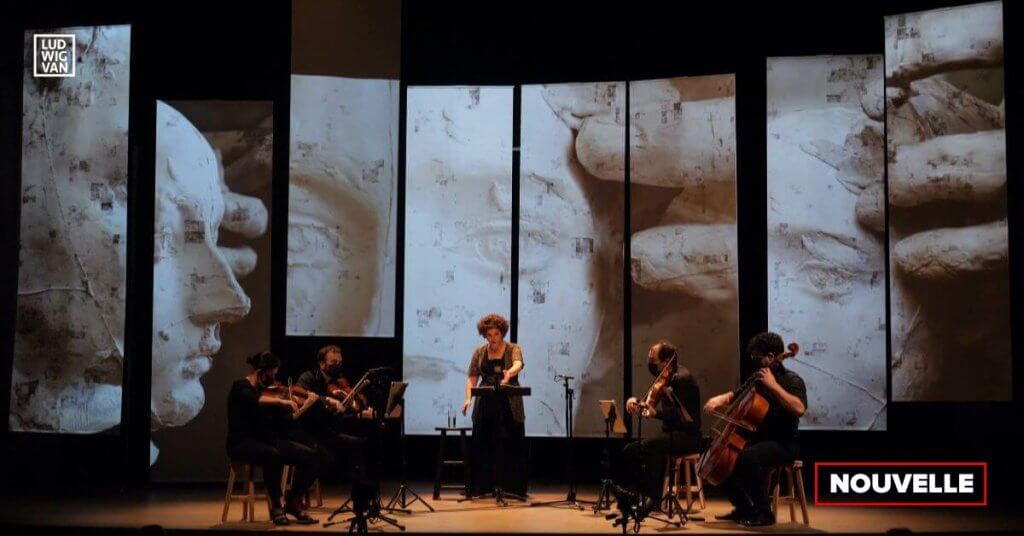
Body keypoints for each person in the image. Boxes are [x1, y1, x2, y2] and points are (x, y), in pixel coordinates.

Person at [703, 332, 808, 527]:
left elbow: (799, 408)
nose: (754, 361)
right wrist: (719, 400)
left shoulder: (792, 380)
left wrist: (774, 387)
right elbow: (735, 395)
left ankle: (764, 512)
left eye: (756, 357)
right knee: (720, 461)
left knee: (746, 458)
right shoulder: (758, 378)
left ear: (770, 356)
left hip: (784, 443)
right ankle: (744, 508)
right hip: (761, 439)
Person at [226, 351, 330, 525]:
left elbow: (281, 423)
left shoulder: (264, 392)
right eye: (272, 374)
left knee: (316, 456)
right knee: (273, 455)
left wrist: (303, 408)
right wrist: (281, 401)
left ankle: (293, 502)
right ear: (260, 372)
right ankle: (276, 506)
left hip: (268, 441)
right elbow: (252, 399)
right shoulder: (240, 387)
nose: (274, 379)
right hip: (242, 443)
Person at [617, 341, 701, 514]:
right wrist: (634, 401)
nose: (651, 365)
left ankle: (654, 498)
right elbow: (649, 406)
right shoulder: (666, 376)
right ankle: (639, 494)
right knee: (630, 450)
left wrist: (656, 414)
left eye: (654, 361)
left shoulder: (682, 379)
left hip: (687, 437)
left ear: (667, 360)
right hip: (670, 434)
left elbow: (682, 418)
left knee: (651, 447)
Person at [296, 345, 380, 514]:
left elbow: (339, 417)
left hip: (328, 433)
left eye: (340, 362)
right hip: (308, 431)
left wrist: (360, 413)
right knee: (320, 457)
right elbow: (298, 392)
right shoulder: (309, 377)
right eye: (333, 362)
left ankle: (362, 498)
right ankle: (293, 498)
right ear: (321, 363)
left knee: (360, 445)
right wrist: (325, 399)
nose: (337, 366)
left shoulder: (339, 383)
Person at [461, 313, 529, 498]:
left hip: (508, 399)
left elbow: (517, 364)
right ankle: (482, 486)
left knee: (510, 441)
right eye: (489, 335)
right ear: (485, 335)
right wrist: (469, 398)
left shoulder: (513, 348)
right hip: (486, 400)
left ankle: (512, 487)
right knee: (484, 441)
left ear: (502, 333)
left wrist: (509, 374)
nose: (493, 339)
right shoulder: (479, 351)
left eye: (496, 334)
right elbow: (472, 377)